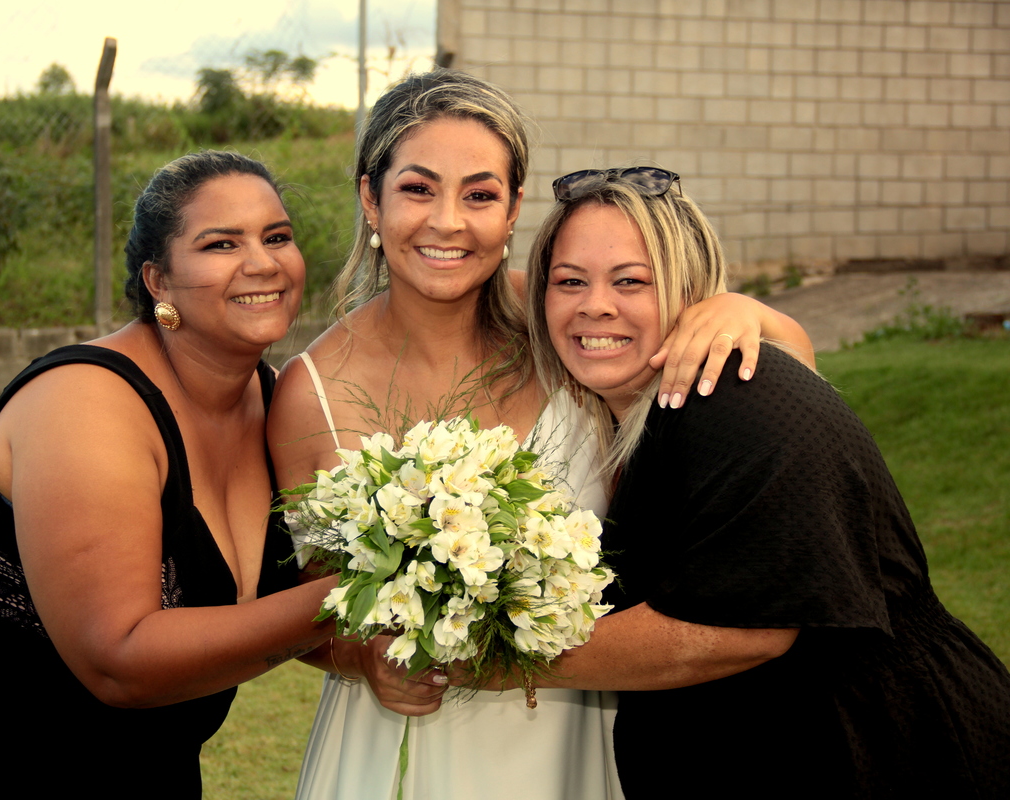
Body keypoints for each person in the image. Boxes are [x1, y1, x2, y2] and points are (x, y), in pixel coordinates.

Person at [267, 70, 815, 800]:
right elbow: (304, 608)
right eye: (419, 189)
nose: (449, 222)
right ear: (372, 198)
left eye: (481, 194)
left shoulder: (566, 317)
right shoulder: (313, 389)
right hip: (406, 744)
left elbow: (789, 370)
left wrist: (743, 312)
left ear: (514, 208)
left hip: (581, 727)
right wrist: (364, 659)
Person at [0, 151, 337, 799]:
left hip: (141, 758)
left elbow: (269, 616)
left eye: (277, 236)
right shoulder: (85, 404)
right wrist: (354, 601)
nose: (263, 262)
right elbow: (116, 658)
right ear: (159, 281)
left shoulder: (285, 405)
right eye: (220, 243)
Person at [524, 165, 1010, 797]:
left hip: (876, 749)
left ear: (690, 291)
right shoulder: (642, 410)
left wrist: (497, 661)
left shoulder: (732, 393)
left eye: (632, 281)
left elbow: (743, 629)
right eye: (569, 281)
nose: (596, 305)